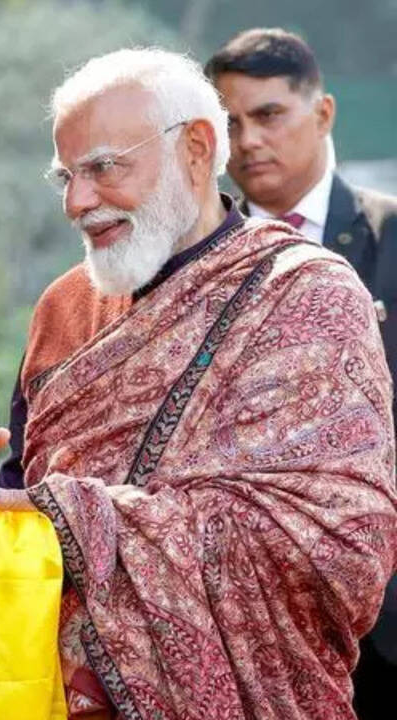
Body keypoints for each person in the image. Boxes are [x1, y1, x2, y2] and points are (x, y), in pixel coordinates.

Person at [0, 48, 396, 719]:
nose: (79, 201)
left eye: (104, 167)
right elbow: (28, 489)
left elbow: (339, 550)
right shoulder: (65, 306)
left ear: (195, 148)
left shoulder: (308, 294)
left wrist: (81, 516)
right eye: (65, 177)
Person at [206, 35, 397, 716]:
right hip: (243, 613)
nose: (249, 140)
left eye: (269, 114)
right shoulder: (199, 262)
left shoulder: (390, 238)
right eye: (230, 122)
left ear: (324, 113)